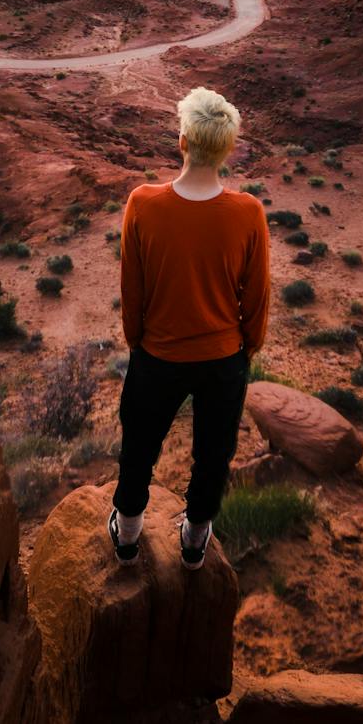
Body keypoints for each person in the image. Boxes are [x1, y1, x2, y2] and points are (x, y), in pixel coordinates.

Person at [108, 86, 271, 570]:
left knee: (140, 441)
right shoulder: (248, 213)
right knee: (213, 454)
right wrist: (248, 348)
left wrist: (138, 340)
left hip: (157, 354)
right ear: (226, 149)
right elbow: (257, 294)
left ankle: (128, 535)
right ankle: (195, 541)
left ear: (182, 142)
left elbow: (131, 286)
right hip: (223, 360)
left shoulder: (143, 204)